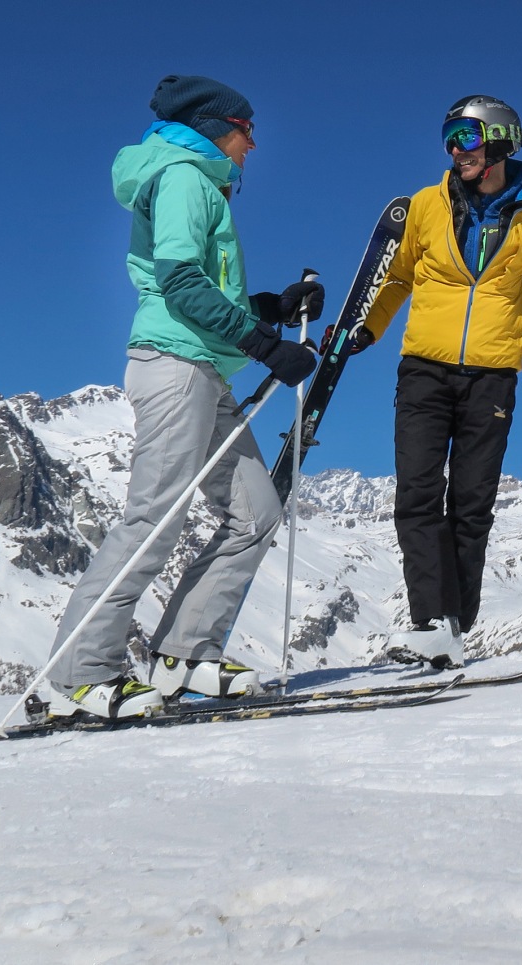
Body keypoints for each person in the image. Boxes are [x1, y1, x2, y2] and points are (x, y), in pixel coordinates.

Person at [46, 75, 322, 719]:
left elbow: (209, 294)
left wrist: (272, 309)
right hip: (174, 367)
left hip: (206, 368)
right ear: (213, 127)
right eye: (247, 129)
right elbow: (179, 285)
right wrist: (265, 345)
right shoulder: (183, 177)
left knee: (255, 512)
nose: (253, 143)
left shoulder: (201, 182)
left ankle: (184, 658)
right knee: (153, 520)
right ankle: (80, 676)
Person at [339, 96, 522, 666]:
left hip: (492, 377)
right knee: (417, 494)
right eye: (449, 136)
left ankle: (454, 625)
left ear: (500, 140)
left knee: (471, 505)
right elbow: (397, 277)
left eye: (465, 135)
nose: (455, 148)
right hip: (423, 370)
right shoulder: (426, 206)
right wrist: (366, 330)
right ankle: (428, 621)